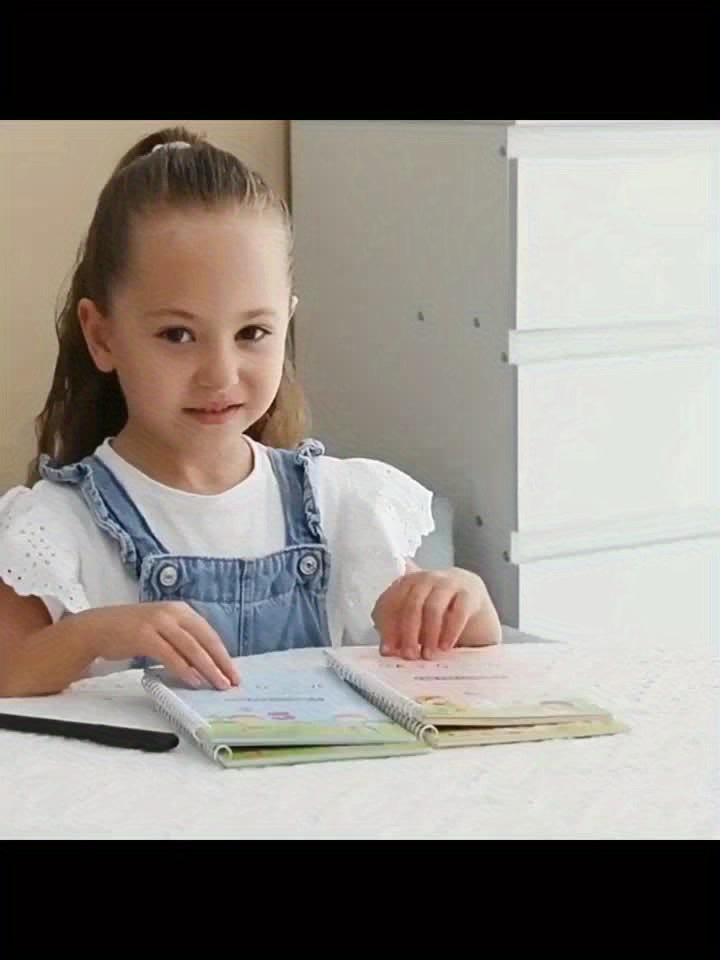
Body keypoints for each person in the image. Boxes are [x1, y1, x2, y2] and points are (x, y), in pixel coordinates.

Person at [0, 126, 502, 698]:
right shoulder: (58, 526)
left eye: (252, 333)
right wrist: (96, 633)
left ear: (287, 323)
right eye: (178, 334)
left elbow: (457, 655)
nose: (220, 374)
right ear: (102, 336)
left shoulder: (338, 507)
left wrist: (464, 602)